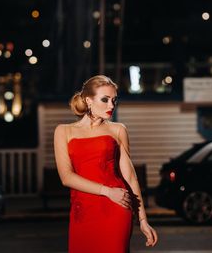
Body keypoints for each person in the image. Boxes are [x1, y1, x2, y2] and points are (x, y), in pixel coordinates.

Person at [54, 75, 158, 253]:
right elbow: (66, 177)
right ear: (88, 100)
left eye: (114, 100)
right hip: (84, 210)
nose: (111, 105)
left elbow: (130, 177)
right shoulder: (63, 131)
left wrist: (142, 220)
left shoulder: (118, 129)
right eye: (105, 99)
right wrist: (107, 191)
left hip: (117, 208)